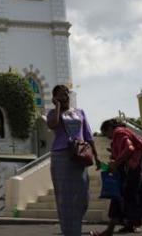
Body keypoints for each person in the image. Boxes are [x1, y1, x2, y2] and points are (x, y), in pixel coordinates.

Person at [90, 119, 142, 236]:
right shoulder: (126, 133)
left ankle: (109, 231)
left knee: (119, 199)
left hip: (129, 175)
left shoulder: (119, 133)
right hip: (134, 173)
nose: (109, 138)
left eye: (107, 134)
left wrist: (116, 163)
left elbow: (129, 148)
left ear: (110, 128)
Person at [46, 84, 100, 236]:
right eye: (61, 95)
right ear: (55, 98)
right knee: (64, 196)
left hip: (80, 155)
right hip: (61, 156)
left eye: (67, 93)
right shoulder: (52, 113)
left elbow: (88, 135)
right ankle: (70, 232)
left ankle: (73, 227)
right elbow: (52, 125)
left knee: (83, 195)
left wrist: (96, 156)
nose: (66, 97)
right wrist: (57, 107)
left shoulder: (80, 112)